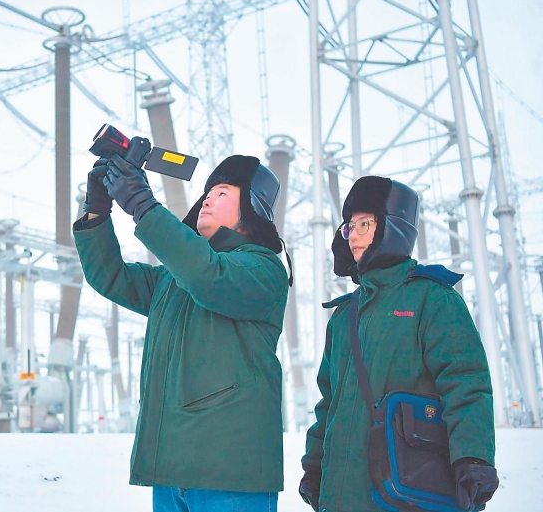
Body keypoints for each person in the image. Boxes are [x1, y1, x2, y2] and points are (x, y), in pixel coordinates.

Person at [73, 146, 291, 511]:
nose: (207, 199)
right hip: (170, 473)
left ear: (251, 210)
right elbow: (110, 277)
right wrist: (97, 209)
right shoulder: (174, 280)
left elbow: (208, 274)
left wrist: (143, 205)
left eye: (222, 192)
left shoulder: (263, 270)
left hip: (231, 477)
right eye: (207, 193)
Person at [298, 176, 499, 512]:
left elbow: (466, 382)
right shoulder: (344, 315)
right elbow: (328, 402)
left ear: (393, 227)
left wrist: (473, 457)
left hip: (407, 491)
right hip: (341, 494)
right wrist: (314, 465)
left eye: (365, 223)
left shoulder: (432, 299)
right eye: (349, 226)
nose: (354, 235)